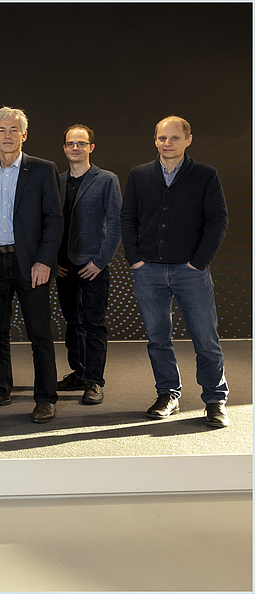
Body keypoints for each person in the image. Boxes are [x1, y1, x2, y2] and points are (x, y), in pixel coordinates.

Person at [120, 116, 230, 428]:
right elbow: (128, 218)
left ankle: (214, 399)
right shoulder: (140, 175)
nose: (167, 143)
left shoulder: (205, 175)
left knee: (206, 339)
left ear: (188, 140)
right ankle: (167, 394)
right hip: (148, 272)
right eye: (161, 138)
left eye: (174, 138)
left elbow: (217, 221)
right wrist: (135, 260)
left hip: (190, 272)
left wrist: (199, 262)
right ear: (155, 140)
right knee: (158, 338)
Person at [0, 106, 62, 423]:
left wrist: (44, 261)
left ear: (24, 134)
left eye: (14, 130)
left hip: (30, 265)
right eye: (2, 130)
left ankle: (46, 398)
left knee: (39, 334)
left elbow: (54, 220)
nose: (8, 136)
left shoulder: (42, 169)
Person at [54, 125, 122, 405]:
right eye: (70, 143)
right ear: (65, 148)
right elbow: (49, 223)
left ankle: (95, 381)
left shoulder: (106, 180)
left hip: (93, 264)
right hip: (63, 265)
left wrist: (100, 261)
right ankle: (79, 373)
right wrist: (53, 259)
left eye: (81, 143)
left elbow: (116, 223)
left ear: (91, 147)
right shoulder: (56, 181)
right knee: (72, 322)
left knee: (94, 324)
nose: (75, 148)